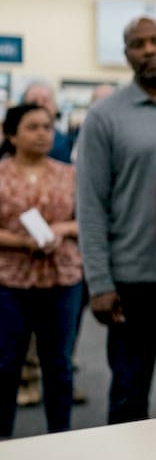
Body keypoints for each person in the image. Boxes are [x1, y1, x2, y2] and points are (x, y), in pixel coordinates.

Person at [76, 16, 156, 424]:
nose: (149, 49)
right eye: (138, 44)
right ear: (126, 55)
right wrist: (99, 282)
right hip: (131, 282)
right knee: (128, 395)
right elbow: (91, 204)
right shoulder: (105, 116)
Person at [0, 105, 81, 437]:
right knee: (6, 364)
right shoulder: (2, 173)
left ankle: (60, 435)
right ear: (12, 134)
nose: (42, 133)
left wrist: (61, 229)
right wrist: (23, 242)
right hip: (9, 281)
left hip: (62, 279)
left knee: (58, 365)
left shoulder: (69, 173)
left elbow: (87, 220)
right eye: (32, 127)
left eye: (48, 126)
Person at [20, 82, 74, 163]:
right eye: (33, 102)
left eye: (45, 101)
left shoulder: (64, 142)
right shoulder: (12, 140)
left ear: (55, 107)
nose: (39, 105)